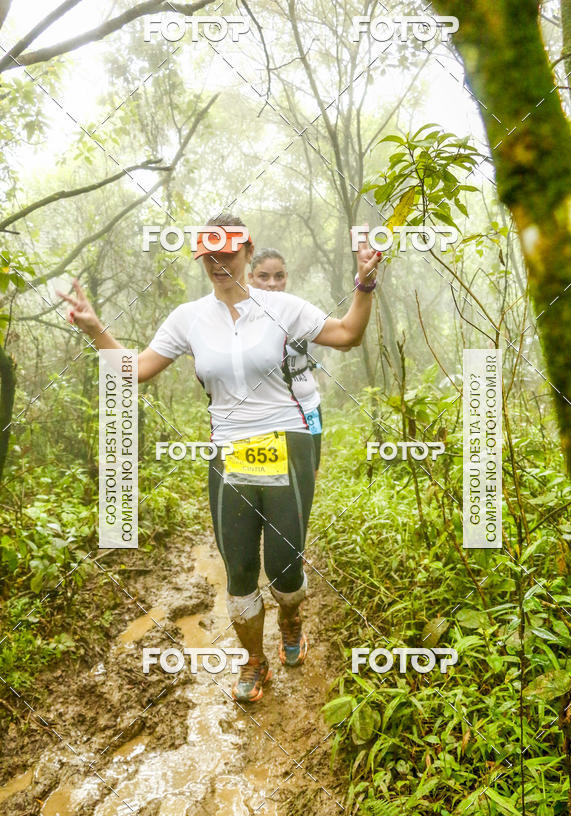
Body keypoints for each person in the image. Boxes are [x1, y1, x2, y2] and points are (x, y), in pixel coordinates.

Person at [62, 213, 381, 703]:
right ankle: (254, 661)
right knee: (237, 568)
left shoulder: (282, 307)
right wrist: (95, 330)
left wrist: (364, 283)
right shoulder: (188, 318)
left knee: (283, 565)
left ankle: (292, 618)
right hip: (228, 449)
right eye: (208, 257)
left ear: (248, 252)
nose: (217, 264)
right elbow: (135, 370)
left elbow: (347, 334)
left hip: (286, 440)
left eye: (227, 254)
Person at [248, 248, 324, 470]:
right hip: (260, 416)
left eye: (279, 276)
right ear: (250, 278)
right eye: (264, 276)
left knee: (308, 472)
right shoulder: (239, 317)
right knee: (264, 479)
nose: (272, 283)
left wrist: (364, 286)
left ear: (286, 279)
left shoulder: (301, 313)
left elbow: (347, 339)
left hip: (307, 408)